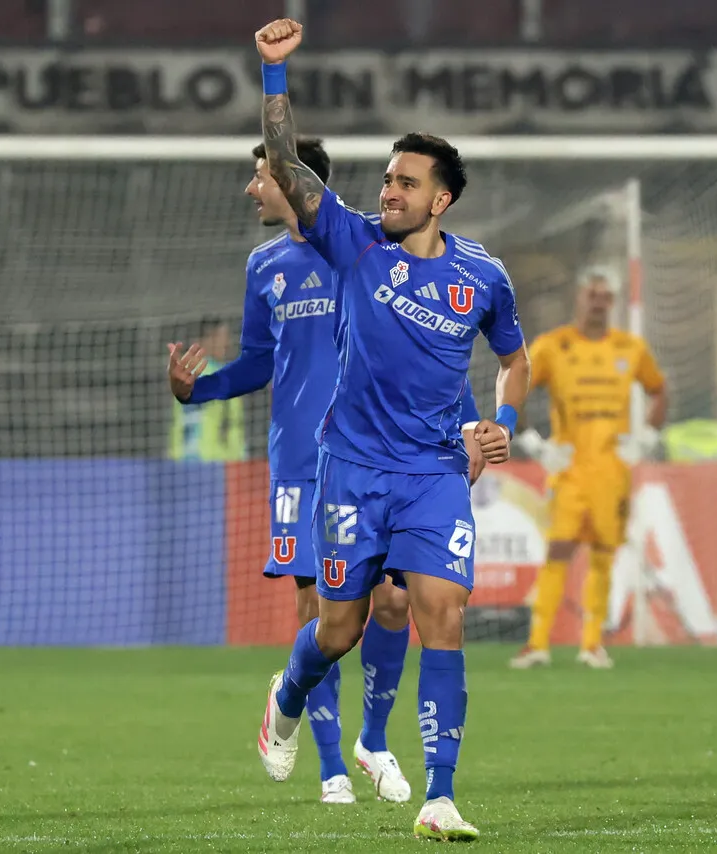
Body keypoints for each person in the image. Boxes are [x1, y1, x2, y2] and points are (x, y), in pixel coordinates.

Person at [250, 18, 531, 842]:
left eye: (407, 183)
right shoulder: (354, 244)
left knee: (441, 612)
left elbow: (516, 359)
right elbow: (290, 170)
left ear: (441, 199)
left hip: (436, 472)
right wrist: (275, 76)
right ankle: (289, 694)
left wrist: (502, 421)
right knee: (338, 628)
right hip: (351, 470)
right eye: (387, 179)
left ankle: (441, 796)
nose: (390, 192)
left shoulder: (483, 276)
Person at [167, 138, 488, 805]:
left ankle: (372, 738)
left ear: (292, 179)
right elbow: (259, 362)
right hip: (301, 462)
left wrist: (467, 425)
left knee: (396, 601)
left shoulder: (375, 251)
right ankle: (330, 766)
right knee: (321, 610)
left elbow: (433, 353)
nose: (254, 189)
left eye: (261, 175)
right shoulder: (266, 267)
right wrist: (197, 391)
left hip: (390, 459)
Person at [510, 267, 668, 670]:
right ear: (579, 297)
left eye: (605, 296)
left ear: (612, 302)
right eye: (591, 295)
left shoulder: (629, 348)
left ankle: (592, 644)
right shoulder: (553, 346)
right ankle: (538, 644)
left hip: (612, 470)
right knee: (559, 548)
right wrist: (534, 444)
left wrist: (645, 438)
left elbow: (658, 390)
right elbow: (516, 386)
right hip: (569, 469)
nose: (598, 302)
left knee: (603, 554)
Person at [167, 318, 247, 461]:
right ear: (209, 339)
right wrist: (239, 457)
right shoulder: (223, 376)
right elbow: (233, 423)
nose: (227, 344)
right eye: (223, 338)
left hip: (182, 462)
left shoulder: (182, 375)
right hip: (215, 461)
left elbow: (176, 424)